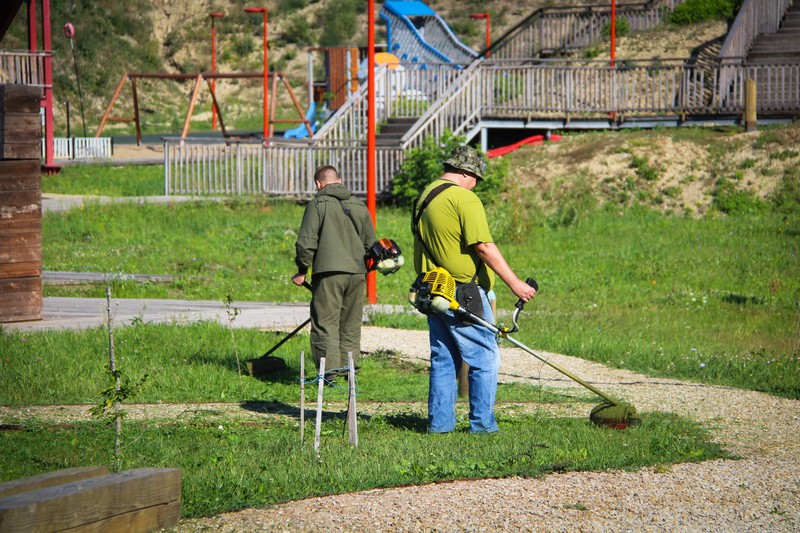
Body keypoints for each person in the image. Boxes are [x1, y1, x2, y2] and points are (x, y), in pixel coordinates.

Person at [413, 145, 537, 433]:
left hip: (432, 290)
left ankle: (440, 426)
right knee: (485, 356)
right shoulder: (464, 199)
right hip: (462, 292)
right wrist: (516, 284)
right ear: (468, 172)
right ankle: (482, 426)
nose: (476, 184)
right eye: (476, 179)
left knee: (444, 359)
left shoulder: (424, 196)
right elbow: (483, 246)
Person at [292, 165, 377, 382]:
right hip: (357, 274)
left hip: (328, 273)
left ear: (318, 184)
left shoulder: (318, 204)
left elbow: (306, 242)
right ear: (339, 180)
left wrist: (302, 269)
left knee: (325, 323)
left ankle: (328, 376)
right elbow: (371, 244)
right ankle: (350, 372)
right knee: (350, 323)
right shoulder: (359, 205)